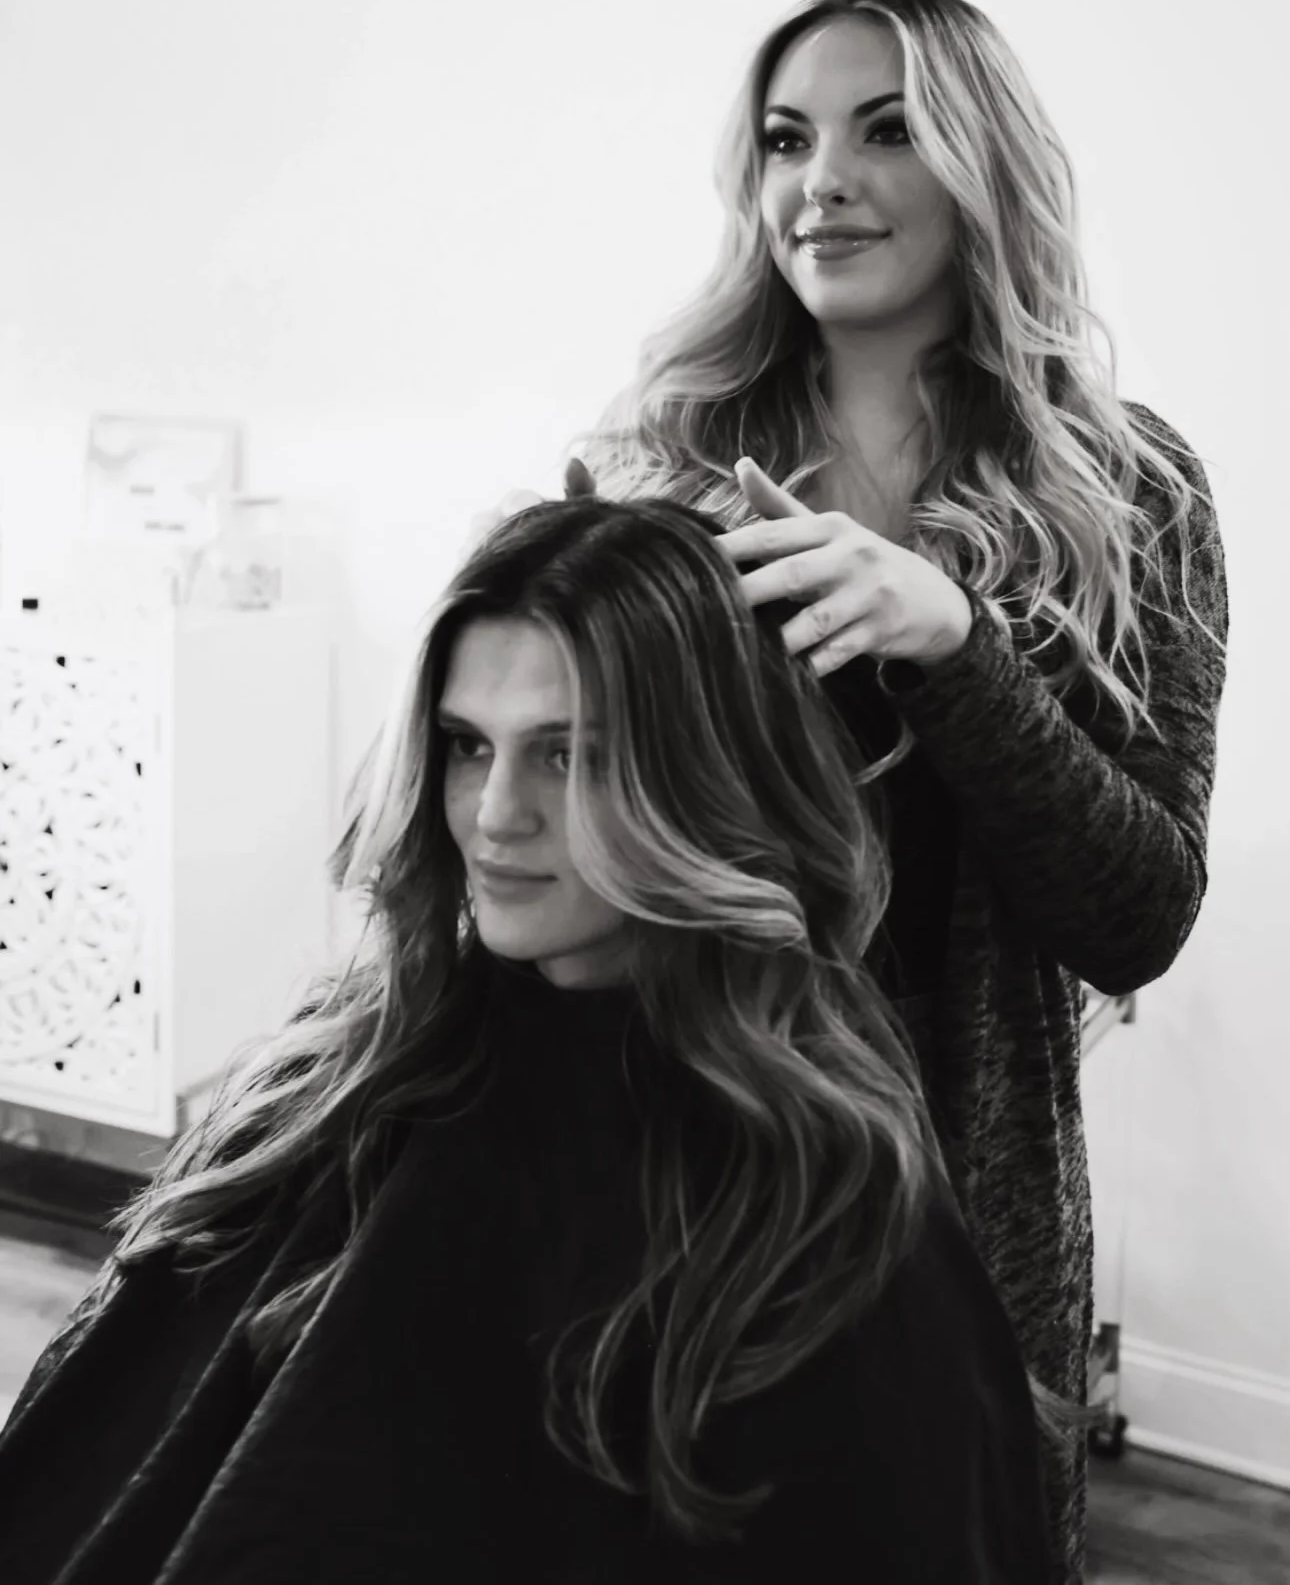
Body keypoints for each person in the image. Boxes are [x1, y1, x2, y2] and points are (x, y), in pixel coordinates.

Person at [0, 497, 1053, 1583]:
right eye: (467, 745)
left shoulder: (817, 1200)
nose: (496, 813)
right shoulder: (346, 1068)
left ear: (705, 775)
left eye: (570, 754)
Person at [570, 0, 1229, 1585]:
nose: (821, 182)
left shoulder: (1129, 494)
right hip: (665, 1178)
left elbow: (1136, 912)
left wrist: (954, 646)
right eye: (788, 137)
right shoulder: (652, 462)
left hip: (961, 1208)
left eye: (886, 130)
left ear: (982, 161)